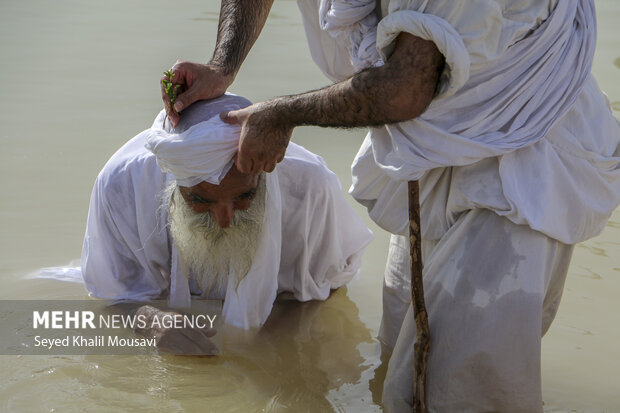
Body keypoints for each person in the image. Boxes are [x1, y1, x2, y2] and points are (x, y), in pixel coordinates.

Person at [160, 0, 620, 411]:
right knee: (399, 366)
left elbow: (405, 88)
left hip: (517, 162)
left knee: (464, 386)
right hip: (426, 152)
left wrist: (283, 114)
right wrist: (223, 63)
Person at [81, 93, 374, 340]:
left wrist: (268, 349)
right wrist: (149, 321)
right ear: (174, 184)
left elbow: (328, 289)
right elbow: (111, 294)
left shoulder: (310, 188)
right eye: (200, 200)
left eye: (244, 197)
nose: (224, 219)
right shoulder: (121, 185)